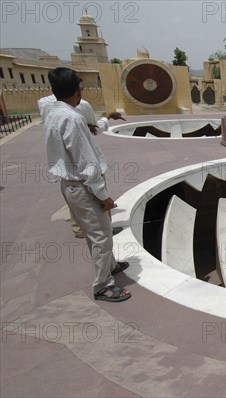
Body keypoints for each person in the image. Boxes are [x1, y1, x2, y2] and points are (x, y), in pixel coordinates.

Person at [44, 67, 131, 302]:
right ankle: (102, 285)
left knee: (96, 234)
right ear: (77, 91)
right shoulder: (71, 118)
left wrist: (105, 119)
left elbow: (87, 136)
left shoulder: (53, 113)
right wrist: (104, 196)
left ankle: (110, 266)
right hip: (83, 187)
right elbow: (86, 162)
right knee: (102, 236)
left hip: (70, 185)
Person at [38, 94, 125, 238]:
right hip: (83, 174)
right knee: (100, 227)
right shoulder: (79, 109)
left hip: (66, 173)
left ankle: (79, 229)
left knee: (76, 202)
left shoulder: (46, 106)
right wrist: (107, 117)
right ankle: (105, 231)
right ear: (75, 90)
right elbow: (94, 132)